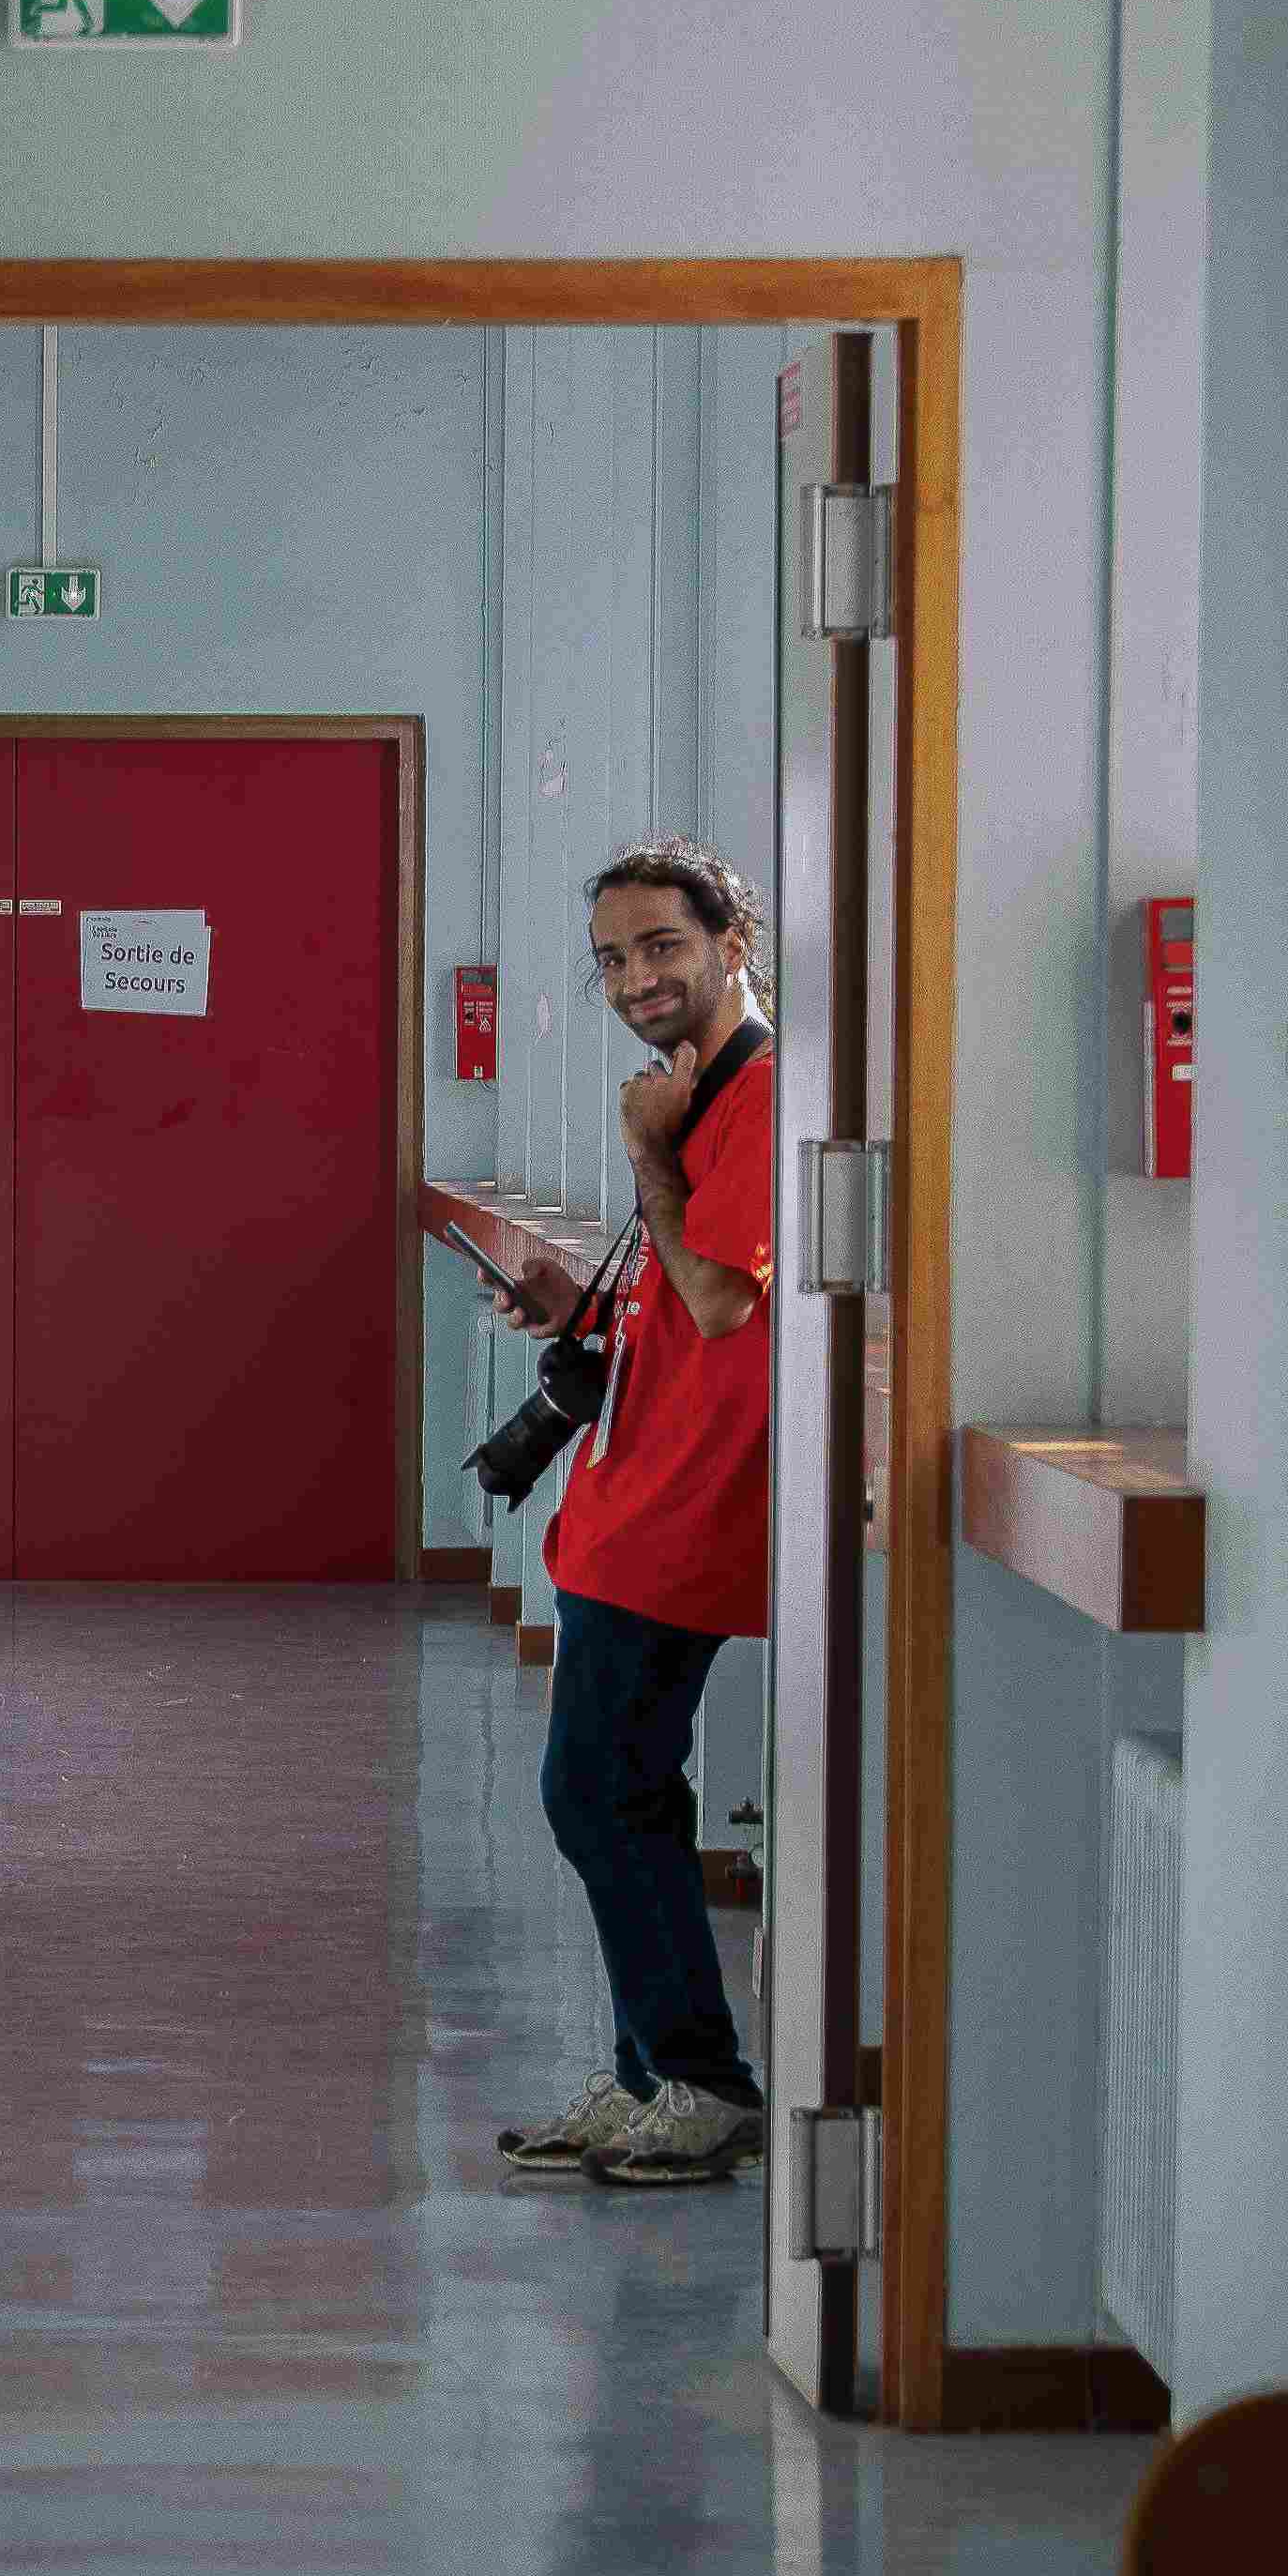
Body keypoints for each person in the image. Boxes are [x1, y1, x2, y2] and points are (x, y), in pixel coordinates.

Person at [490, 843, 774, 2187]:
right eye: (612, 958)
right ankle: (653, 2074)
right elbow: (678, 1289)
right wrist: (574, 1302)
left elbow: (722, 1299)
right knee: (625, 1793)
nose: (635, 979)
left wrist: (650, 1153)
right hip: (631, 1500)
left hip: (686, 1513)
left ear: (733, 943)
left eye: (662, 945)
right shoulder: (694, 1095)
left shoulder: (757, 1098)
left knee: (597, 1789)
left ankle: (703, 2081)